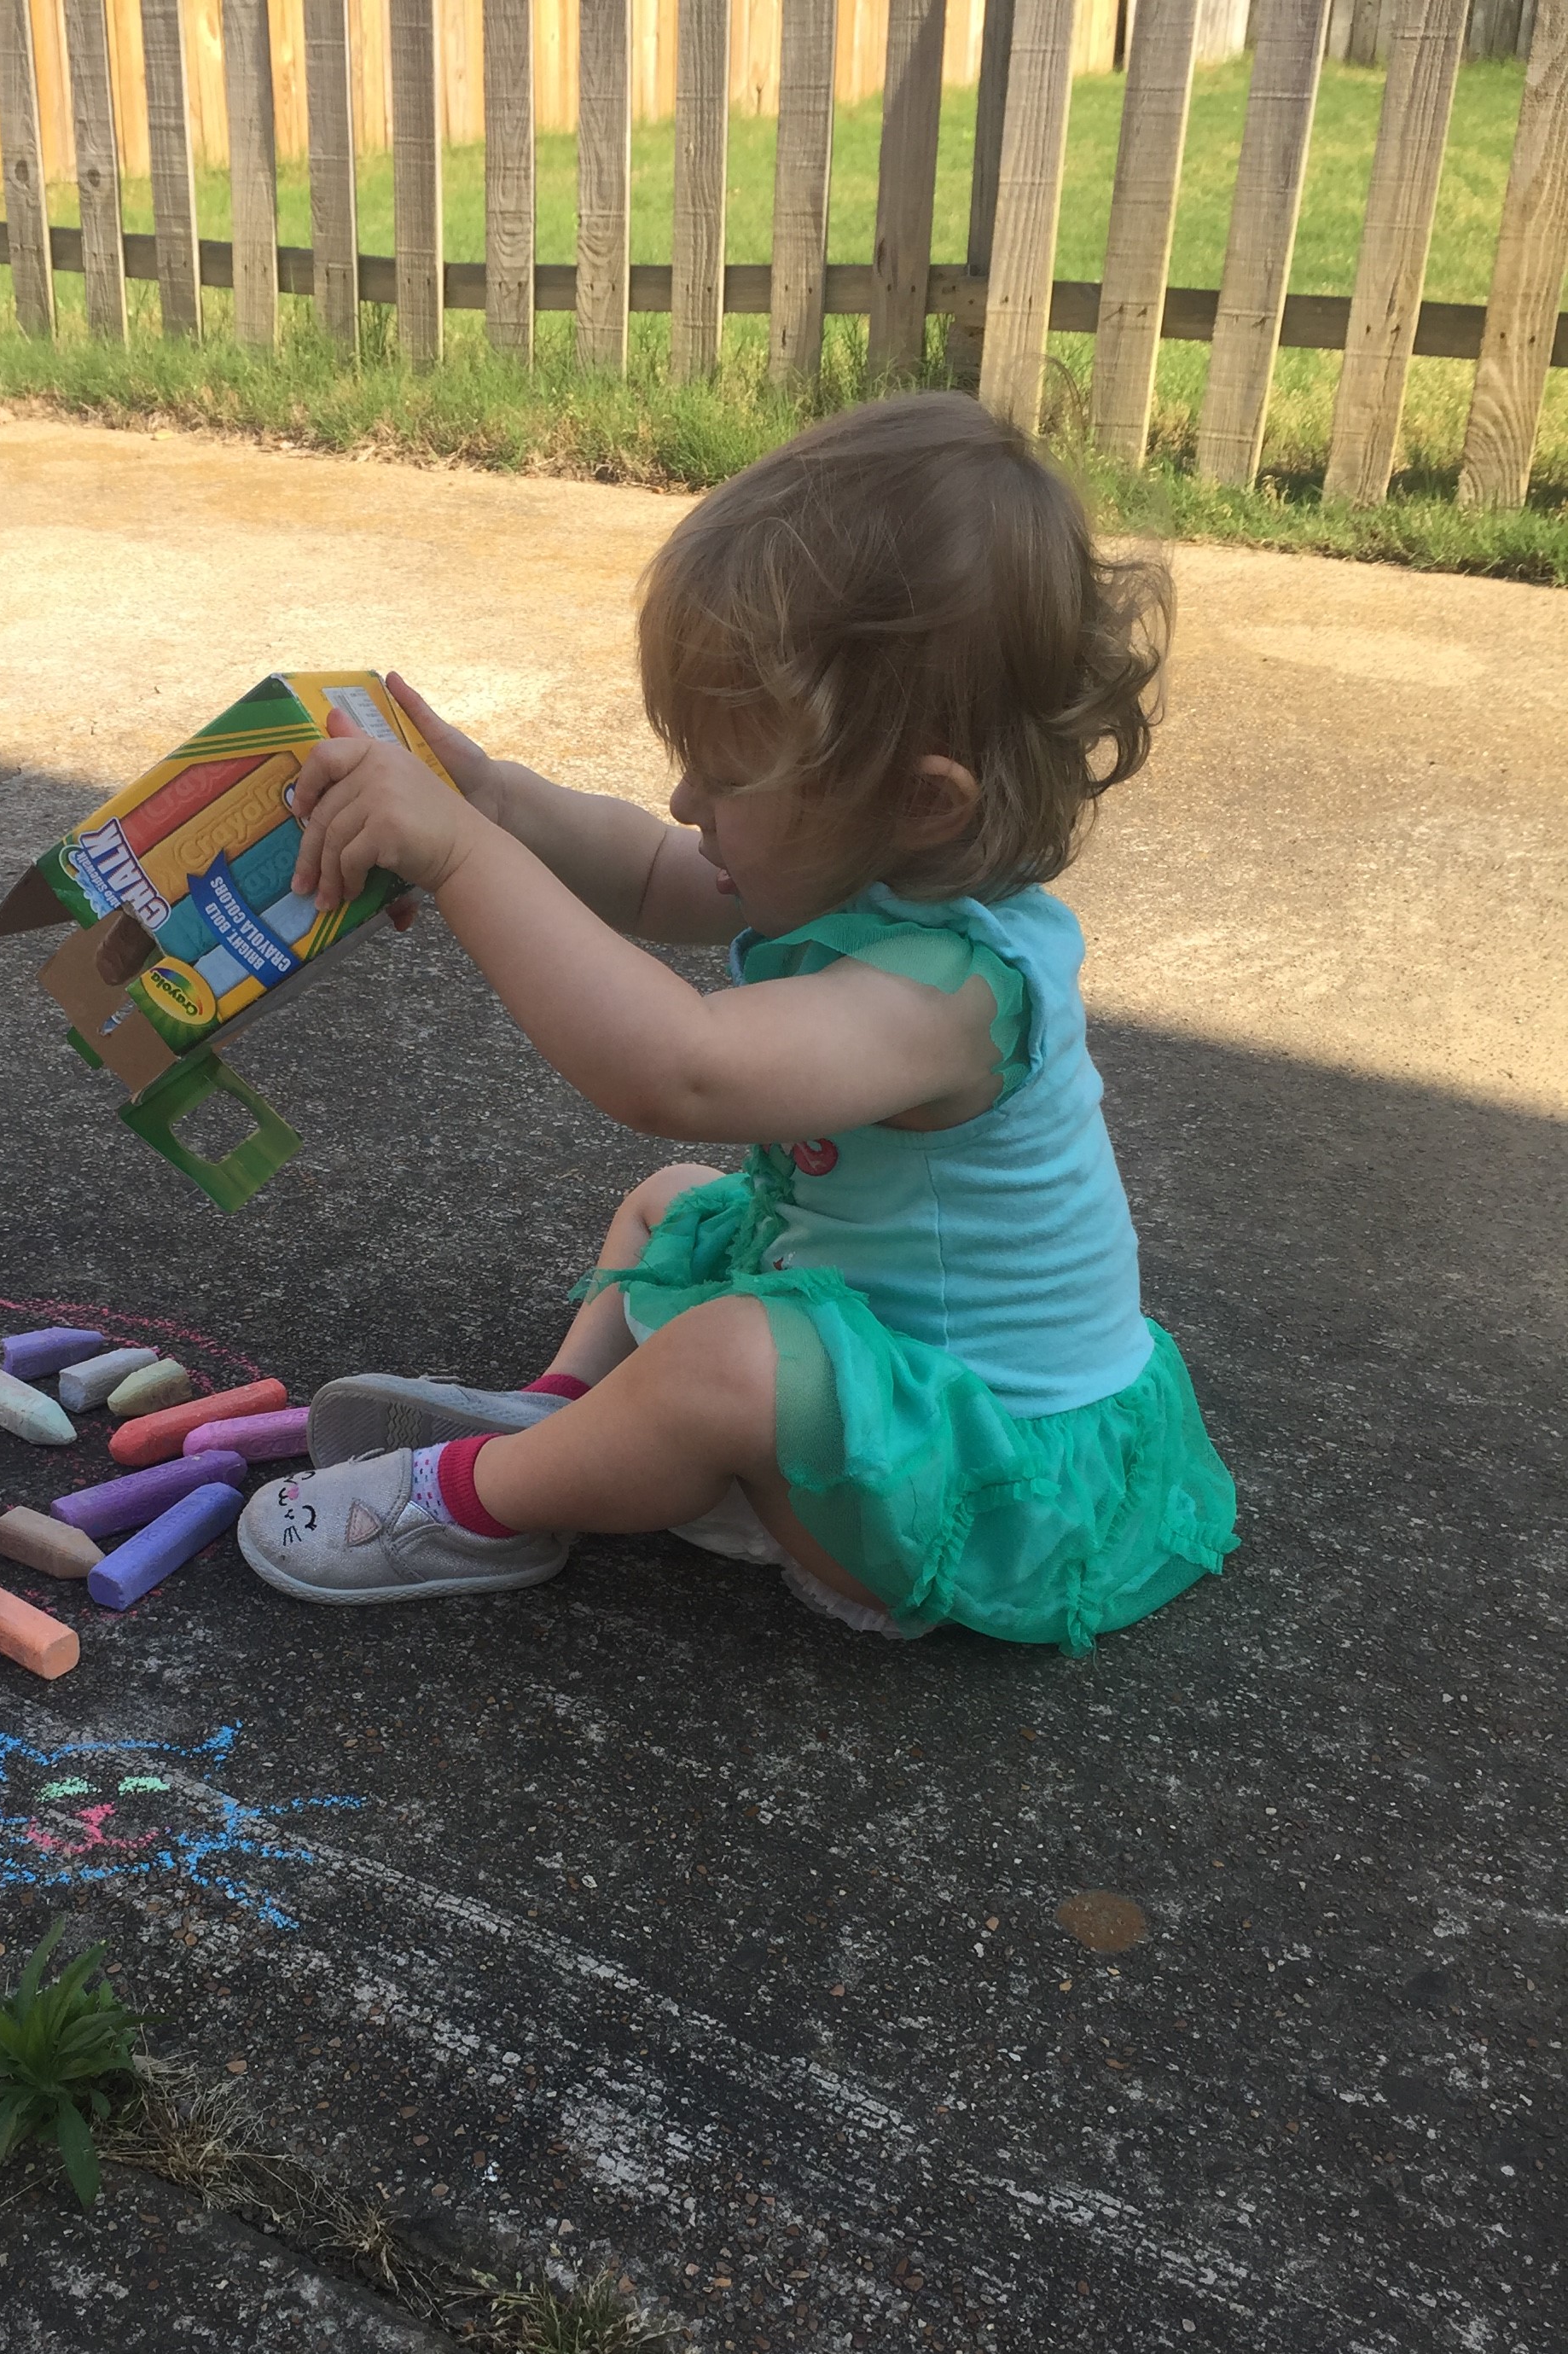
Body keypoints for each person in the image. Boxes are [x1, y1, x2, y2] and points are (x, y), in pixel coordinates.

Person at [235, 392, 1237, 1654]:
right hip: (882, 1367)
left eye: (726, 774)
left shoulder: (955, 996)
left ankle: (481, 1499)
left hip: (979, 1484)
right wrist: (499, 806)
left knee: (734, 1357)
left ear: (920, 800)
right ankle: (561, 1415)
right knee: (672, 1205)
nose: (684, 798)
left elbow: (682, 1072)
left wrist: (458, 860)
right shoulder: (865, 858)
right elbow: (657, 871)